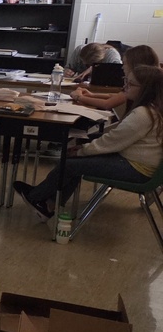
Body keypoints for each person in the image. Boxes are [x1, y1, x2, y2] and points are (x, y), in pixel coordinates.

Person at [14, 65, 163, 222]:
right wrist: (84, 150)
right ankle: (48, 204)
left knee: (70, 164)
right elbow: (116, 139)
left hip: (137, 170)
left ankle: (36, 197)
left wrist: (81, 150)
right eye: (125, 80)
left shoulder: (142, 115)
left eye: (130, 84)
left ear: (146, 89)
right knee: (76, 162)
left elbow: (112, 142)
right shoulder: (153, 109)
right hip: (140, 165)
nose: (124, 86)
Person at [71, 45, 160, 111]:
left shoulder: (138, 85)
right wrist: (92, 95)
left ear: (135, 65)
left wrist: (79, 97)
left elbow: (107, 104)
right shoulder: (146, 81)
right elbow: (116, 96)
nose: (122, 67)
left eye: (125, 64)